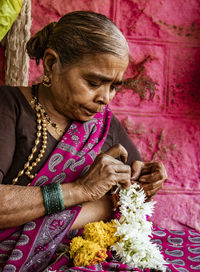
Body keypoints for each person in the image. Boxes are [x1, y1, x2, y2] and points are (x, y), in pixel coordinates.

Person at [0, 11, 198, 272]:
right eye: (93, 82)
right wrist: (80, 190)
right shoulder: (8, 107)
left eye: (114, 86)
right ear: (50, 63)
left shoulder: (102, 123)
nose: (105, 97)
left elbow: (133, 201)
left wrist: (147, 182)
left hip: (87, 251)